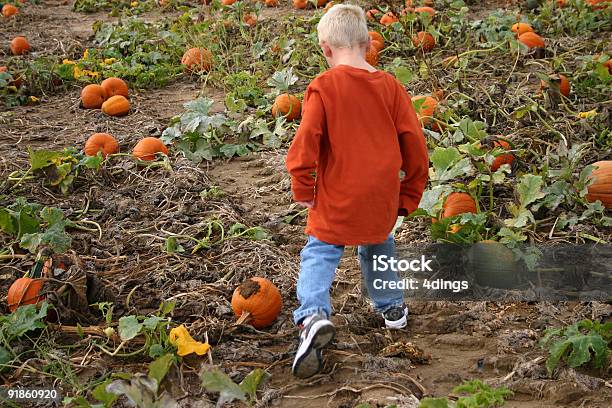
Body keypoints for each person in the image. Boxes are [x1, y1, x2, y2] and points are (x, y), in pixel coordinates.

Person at [285, 4, 429, 378]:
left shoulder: (323, 87)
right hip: (381, 195)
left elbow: (307, 141)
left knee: (320, 250)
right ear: (367, 43)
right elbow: (415, 144)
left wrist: (303, 184)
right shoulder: (391, 87)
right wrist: (409, 192)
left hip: (338, 195)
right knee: (378, 244)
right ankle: (392, 309)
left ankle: (313, 314)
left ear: (325, 48)